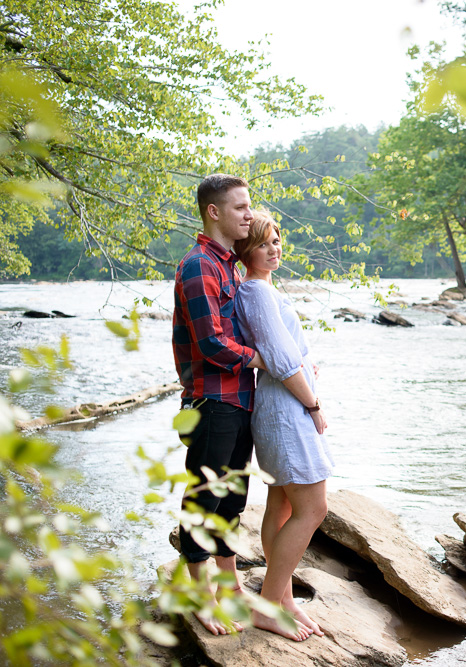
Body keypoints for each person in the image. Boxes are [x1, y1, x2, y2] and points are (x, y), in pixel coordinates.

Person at [233, 210, 334, 641]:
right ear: (245, 251)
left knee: (283, 505)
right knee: (314, 508)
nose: (273, 249)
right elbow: (278, 358)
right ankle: (267, 605)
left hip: (279, 405)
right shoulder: (255, 292)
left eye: (276, 241)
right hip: (287, 410)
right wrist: (313, 404)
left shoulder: (262, 290)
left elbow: (283, 353)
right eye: (262, 243)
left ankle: (283, 598)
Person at [172, 173, 266, 635]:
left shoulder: (227, 264)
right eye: (241, 207)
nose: (250, 214)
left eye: (249, 207)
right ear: (214, 212)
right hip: (212, 401)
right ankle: (199, 594)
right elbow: (211, 343)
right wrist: (262, 358)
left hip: (240, 398)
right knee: (203, 497)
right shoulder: (198, 266)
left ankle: (229, 587)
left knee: (233, 496)